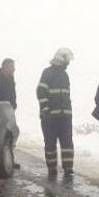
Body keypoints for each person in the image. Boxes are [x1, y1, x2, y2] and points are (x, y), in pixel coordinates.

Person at [36, 48, 74, 179]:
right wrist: (46, 110)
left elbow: (66, 95)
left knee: (67, 144)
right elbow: (41, 92)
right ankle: (52, 169)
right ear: (62, 60)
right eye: (67, 61)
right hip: (50, 118)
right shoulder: (47, 73)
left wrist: (69, 112)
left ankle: (68, 168)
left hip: (65, 117)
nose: (68, 64)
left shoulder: (64, 75)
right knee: (50, 144)